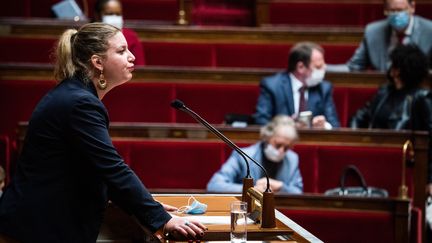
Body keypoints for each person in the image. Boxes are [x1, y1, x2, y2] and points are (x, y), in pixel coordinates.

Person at [0, 23, 206, 242]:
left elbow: (96, 168)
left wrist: (149, 207)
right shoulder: (80, 103)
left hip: (41, 221)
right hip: (37, 228)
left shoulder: (75, 95)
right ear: (97, 62)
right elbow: (112, 168)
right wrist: (162, 218)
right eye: (121, 51)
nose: (132, 57)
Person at [350, 44, 432, 195]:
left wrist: (429, 179)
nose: (392, 71)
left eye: (397, 67)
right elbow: (359, 116)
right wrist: (357, 142)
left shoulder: (421, 98)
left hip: (403, 164)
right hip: (375, 156)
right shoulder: (384, 92)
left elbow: (429, 140)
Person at [207, 115, 303, 194]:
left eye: (286, 148)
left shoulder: (292, 158)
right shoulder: (243, 155)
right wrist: (252, 189)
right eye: (278, 145)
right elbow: (214, 185)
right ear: (267, 137)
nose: (281, 151)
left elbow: (298, 192)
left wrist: (281, 186)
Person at [254, 42, 340, 129]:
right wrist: (286, 127)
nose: (324, 69)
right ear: (301, 67)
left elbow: (335, 126)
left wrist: (324, 126)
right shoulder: (272, 86)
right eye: (318, 67)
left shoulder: (324, 88)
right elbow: (261, 122)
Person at [347, 0, 432, 71]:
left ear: (412, 7)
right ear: (385, 10)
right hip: (384, 89)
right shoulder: (373, 32)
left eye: (400, 10)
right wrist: (333, 70)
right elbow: (353, 67)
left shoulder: (430, 31)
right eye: (391, 11)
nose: (396, 15)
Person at [94, 0, 145, 65]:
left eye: (118, 14)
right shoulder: (91, 37)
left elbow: (140, 69)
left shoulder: (131, 36)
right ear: (97, 16)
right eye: (110, 14)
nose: (114, 18)